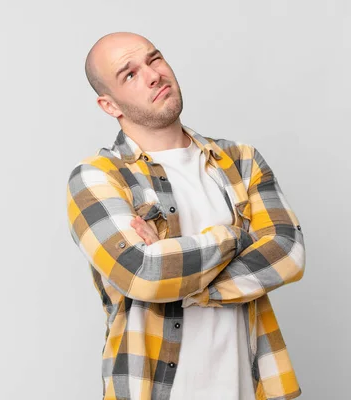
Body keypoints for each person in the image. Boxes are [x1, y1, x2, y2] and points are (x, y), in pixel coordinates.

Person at [66, 31, 306, 400]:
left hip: (251, 388)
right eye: (129, 74)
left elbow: (288, 254)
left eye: (154, 58)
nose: (152, 75)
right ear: (109, 105)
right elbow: (143, 273)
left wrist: (177, 275)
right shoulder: (97, 177)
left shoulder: (241, 162)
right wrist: (236, 237)